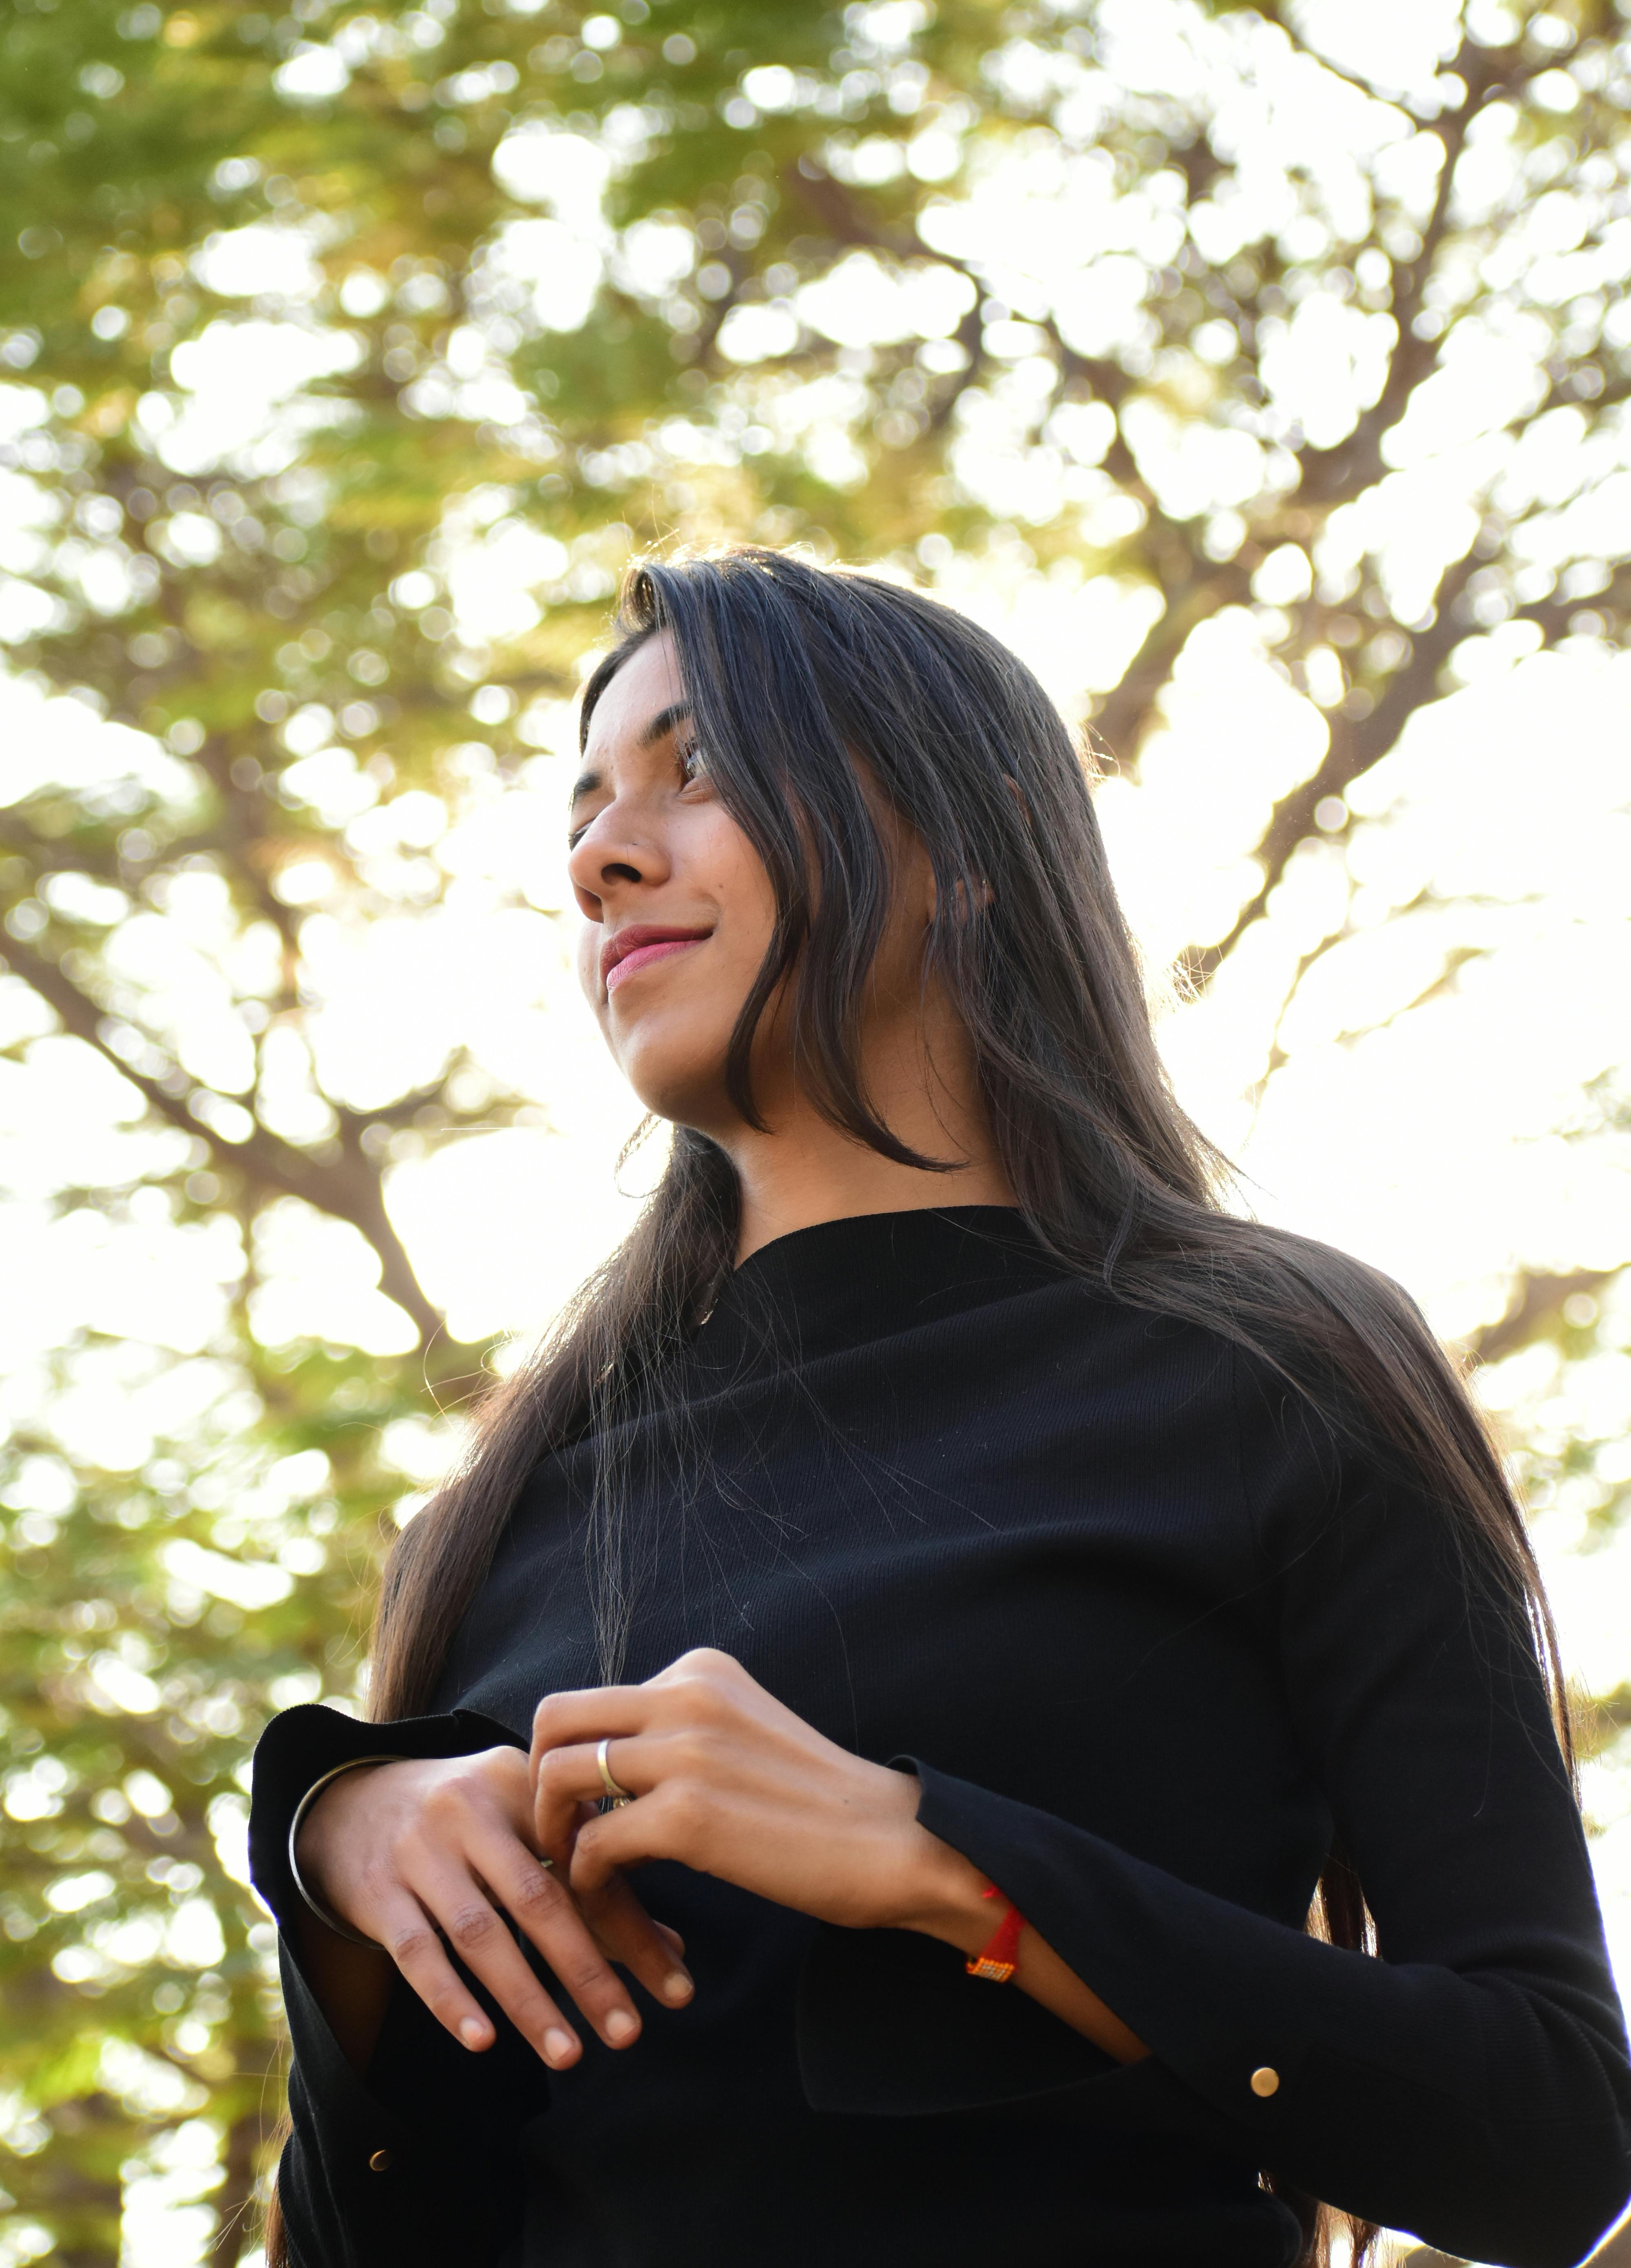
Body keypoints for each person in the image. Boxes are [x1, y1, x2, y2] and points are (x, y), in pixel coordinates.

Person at [250, 547, 1631, 2268]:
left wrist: (942, 1868)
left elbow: (1545, 2135)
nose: (605, 858)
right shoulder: (513, 1492)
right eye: (586, 810)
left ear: (963, 856)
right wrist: (343, 1864)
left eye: (702, 772)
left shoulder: (1284, 1361)